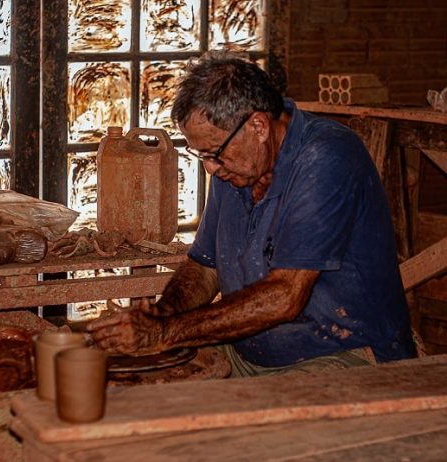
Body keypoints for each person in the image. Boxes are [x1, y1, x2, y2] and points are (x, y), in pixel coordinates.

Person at [87, 52, 416, 376]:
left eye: (215, 153)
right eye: (201, 155)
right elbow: (205, 267)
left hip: (345, 353)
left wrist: (164, 333)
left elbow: (286, 295)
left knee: (240, 425)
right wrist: (161, 314)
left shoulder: (326, 157)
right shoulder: (238, 167)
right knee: (139, 387)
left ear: (258, 125)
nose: (211, 168)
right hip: (251, 350)